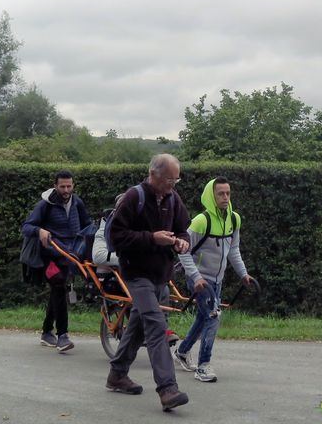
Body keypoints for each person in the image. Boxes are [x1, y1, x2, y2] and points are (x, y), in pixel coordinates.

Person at [105, 154, 190, 412]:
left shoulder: (173, 199)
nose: (173, 185)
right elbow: (116, 237)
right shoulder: (134, 197)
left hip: (160, 275)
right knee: (155, 325)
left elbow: (183, 228)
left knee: (139, 325)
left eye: (177, 179)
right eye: (170, 179)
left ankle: (117, 374)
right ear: (153, 174)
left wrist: (182, 241)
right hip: (136, 273)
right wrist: (152, 238)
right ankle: (167, 389)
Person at [173, 177, 255, 383]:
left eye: (228, 193)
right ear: (212, 195)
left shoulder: (234, 219)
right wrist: (196, 277)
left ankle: (182, 352)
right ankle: (203, 366)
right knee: (213, 316)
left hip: (217, 280)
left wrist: (243, 274)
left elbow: (233, 250)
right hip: (200, 279)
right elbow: (182, 250)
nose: (225, 197)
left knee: (204, 317)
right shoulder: (201, 221)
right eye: (221, 193)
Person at [91, 196, 180, 346]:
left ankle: (161, 328)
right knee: (148, 291)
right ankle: (154, 329)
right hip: (112, 278)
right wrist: (131, 259)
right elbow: (98, 256)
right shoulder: (105, 228)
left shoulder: (138, 226)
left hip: (134, 274)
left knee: (162, 287)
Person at [22, 170, 91, 352]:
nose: (66, 190)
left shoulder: (77, 203)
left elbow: (87, 226)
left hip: (68, 256)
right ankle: (62, 335)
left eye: (69, 186)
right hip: (47, 256)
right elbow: (27, 227)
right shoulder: (45, 205)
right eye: (62, 186)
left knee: (57, 290)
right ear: (55, 186)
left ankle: (46, 332)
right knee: (58, 284)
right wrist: (40, 231)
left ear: (73, 185)